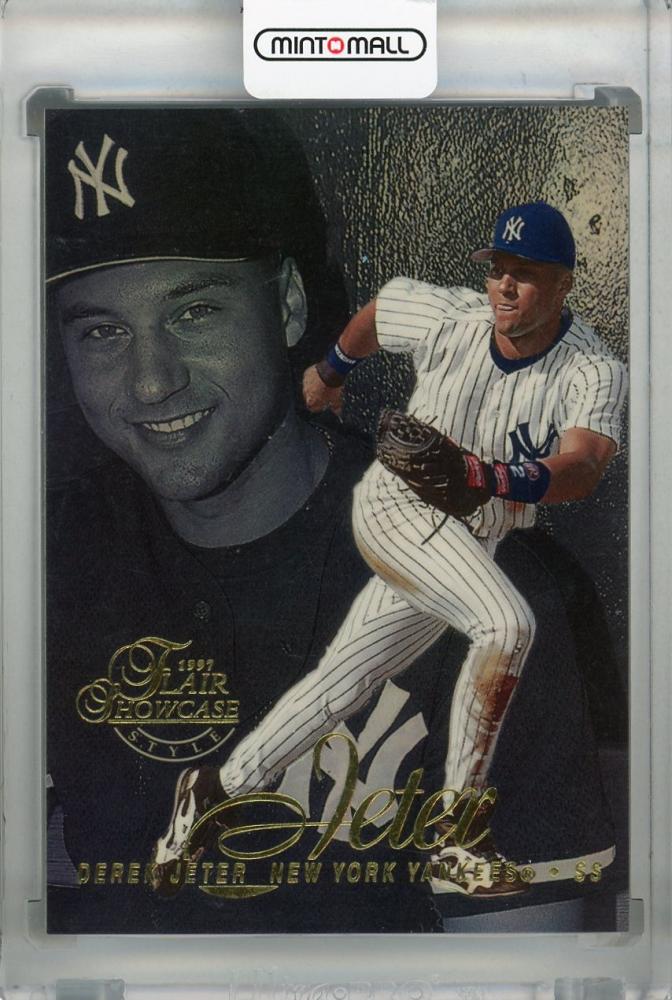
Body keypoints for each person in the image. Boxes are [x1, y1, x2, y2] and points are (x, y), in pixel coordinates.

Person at [46, 107, 448, 933]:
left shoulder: (462, 570)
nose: (151, 381)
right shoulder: (39, 560)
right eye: (103, 331)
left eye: (194, 312)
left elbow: (523, 966)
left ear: (289, 305)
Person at [152, 201, 627, 899]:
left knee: (339, 685)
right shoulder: (453, 318)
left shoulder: (591, 368)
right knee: (506, 625)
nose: (503, 286)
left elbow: (582, 467)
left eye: (524, 274)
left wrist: (490, 477)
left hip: (469, 537)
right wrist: (330, 373)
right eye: (497, 268)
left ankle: (214, 787)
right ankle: (457, 836)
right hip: (398, 509)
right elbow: (379, 313)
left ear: (563, 284)